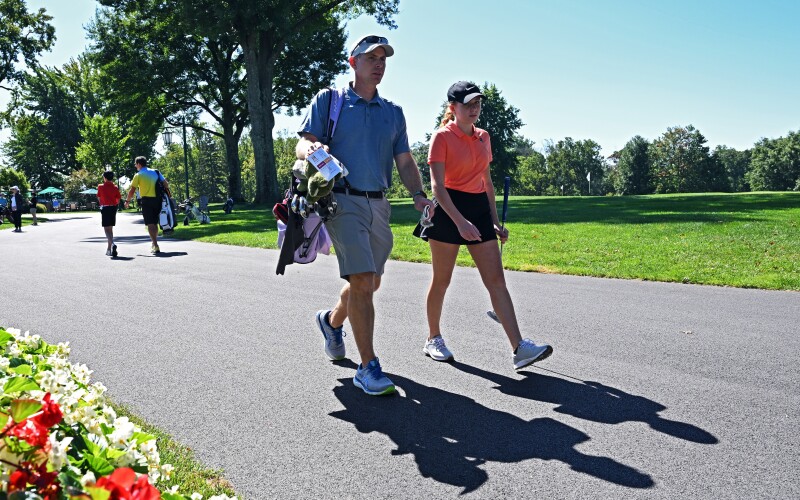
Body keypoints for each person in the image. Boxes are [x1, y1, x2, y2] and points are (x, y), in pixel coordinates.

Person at [296, 34, 434, 396]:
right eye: (371, 57)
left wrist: (418, 195)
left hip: (379, 204)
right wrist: (310, 146)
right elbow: (301, 143)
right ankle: (368, 367)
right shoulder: (331, 100)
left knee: (369, 283)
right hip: (341, 200)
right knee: (361, 281)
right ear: (352, 62)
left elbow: (404, 160)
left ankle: (330, 321)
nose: (379, 63)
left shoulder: (393, 112)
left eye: (383, 59)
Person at [415, 81, 553, 370]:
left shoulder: (484, 137)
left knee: (496, 281)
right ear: (453, 108)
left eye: (477, 103)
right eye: (468, 104)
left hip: (477, 207)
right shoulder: (441, 137)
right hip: (448, 208)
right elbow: (437, 187)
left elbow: (487, 183)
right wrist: (459, 222)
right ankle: (433, 338)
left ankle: (519, 348)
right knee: (442, 280)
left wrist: (494, 222)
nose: (474, 109)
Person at [123, 156, 169, 254]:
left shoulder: (138, 175)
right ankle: (154, 243)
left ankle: (155, 245)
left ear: (139, 164)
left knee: (150, 223)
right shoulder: (156, 172)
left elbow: (132, 191)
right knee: (155, 222)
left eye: (136, 164)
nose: (135, 166)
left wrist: (127, 201)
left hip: (146, 201)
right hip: (158, 200)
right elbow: (166, 184)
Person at [97, 171, 121, 257]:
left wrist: (101, 205)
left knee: (106, 230)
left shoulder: (100, 186)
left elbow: (99, 198)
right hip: (113, 208)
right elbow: (118, 199)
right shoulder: (115, 187)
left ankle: (113, 244)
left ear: (105, 177)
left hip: (105, 208)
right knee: (110, 229)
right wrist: (115, 205)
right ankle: (108, 249)